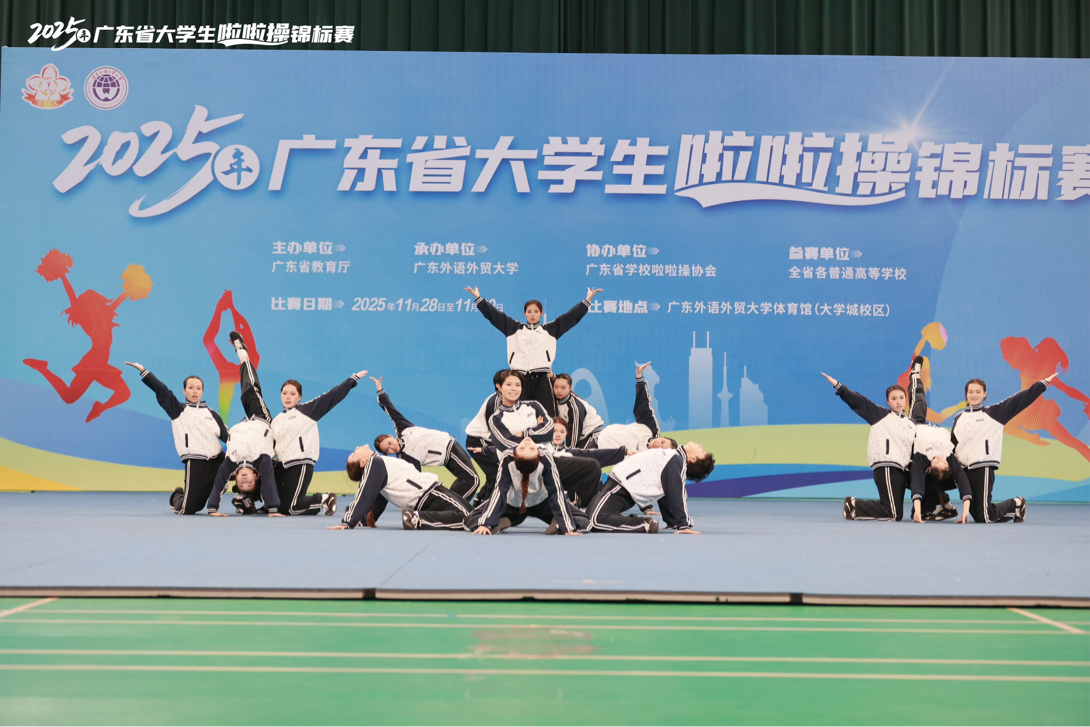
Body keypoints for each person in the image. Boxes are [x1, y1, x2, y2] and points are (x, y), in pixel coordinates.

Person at [463, 285, 602, 415]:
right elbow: (494, 316)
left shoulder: (550, 330)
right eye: (529, 311)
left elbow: (570, 318)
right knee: (516, 416)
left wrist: (587, 300)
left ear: (541, 313)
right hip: (519, 378)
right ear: (524, 313)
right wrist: (478, 298)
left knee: (546, 416)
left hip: (542, 379)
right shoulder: (514, 329)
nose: (532, 314)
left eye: (536, 311)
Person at [950, 372, 1058, 524]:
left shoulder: (994, 413)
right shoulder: (958, 417)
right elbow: (953, 443)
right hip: (962, 470)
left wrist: (1042, 384)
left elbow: (1019, 400)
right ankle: (940, 506)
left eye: (978, 392)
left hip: (982, 467)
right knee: (978, 513)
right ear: (966, 394)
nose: (974, 395)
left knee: (984, 517)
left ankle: (1016, 504)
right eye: (971, 392)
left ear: (985, 394)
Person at [124, 362, 228, 514]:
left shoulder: (212, 414)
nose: (195, 391)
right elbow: (161, 390)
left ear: (202, 392)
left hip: (218, 461)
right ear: (184, 391)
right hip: (196, 463)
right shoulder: (178, 410)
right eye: (191, 388)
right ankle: (177, 495)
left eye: (198, 388)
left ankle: (246, 499)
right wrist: (144, 371)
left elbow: (230, 438)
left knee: (244, 464)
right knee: (189, 508)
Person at [821, 370, 916, 521]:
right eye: (894, 398)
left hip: (902, 468)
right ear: (888, 402)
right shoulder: (881, 415)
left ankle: (929, 510)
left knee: (896, 511)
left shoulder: (911, 423)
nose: (898, 402)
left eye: (901, 398)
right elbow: (859, 402)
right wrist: (839, 386)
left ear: (906, 399)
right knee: (893, 513)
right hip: (886, 465)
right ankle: (854, 505)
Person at [271, 369, 367, 516]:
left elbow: (331, 396)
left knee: (291, 508)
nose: (288, 397)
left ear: (299, 397)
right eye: (284, 393)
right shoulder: (276, 420)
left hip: (300, 463)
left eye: (292, 394)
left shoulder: (306, 411)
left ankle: (324, 498)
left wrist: (352, 380)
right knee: (282, 507)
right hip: (282, 466)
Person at [207, 332, 280, 516]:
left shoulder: (232, 460)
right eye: (249, 483)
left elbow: (219, 481)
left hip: (242, 425)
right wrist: (272, 508)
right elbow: (269, 480)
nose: (244, 480)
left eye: (241, 483)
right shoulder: (261, 459)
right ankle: (242, 353)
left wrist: (212, 508)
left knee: (243, 394)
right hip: (261, 419)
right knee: (249, 389)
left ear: (237, 478)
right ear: (256, 476)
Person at [372, 376, 480, 500]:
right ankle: (451, 506)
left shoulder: (403, 429)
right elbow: (415, 480)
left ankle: (451, 505)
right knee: (472, 479)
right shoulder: (404, 460)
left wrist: (380, 391)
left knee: (468, 479)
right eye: (388, 450)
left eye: (389, 443)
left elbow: (390, 409)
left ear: (391, 436)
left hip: (448, 444)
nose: (392, 448)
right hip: (448, 453)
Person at [327, 445, 472, 531]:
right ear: (363, 463)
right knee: (469, 518)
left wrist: (366, 520)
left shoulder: (379, 466)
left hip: (427, 494)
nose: (357, 448)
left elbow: (377, 499)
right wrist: (348, 521)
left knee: (471, 515)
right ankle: (418, 519)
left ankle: (417, 518)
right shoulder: (374, 463)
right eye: (354, 454)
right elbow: (364, 494)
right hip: (429, 493)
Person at [464, 437, 587, 535]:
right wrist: (485, 524)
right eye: (523, 448)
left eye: (530, 448)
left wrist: (485, 522)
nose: (527, 443)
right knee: (472, 519)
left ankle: (558, 524)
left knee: (473, 520)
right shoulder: (508, 457)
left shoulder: (544, 457)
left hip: (542, 503)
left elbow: (555, 491)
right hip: (514, 505)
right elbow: (500, 491)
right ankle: (498, 523)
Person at [586, 443, 713, 534]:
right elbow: (666, 493)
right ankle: (644, 523)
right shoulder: (672, 455)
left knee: (596, 520)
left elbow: (676, 493)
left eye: (702, 452)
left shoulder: (677, 461)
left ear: (693, 459)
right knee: (587, 519)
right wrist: (672, 521)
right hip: (619, 484)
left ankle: (644, 524)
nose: (700, 445)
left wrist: (683, 524)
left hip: (621, 487)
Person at [904, 356, 970, 523]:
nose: (940, 458)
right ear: (949, 466)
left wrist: (917, 511)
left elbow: (917, 485)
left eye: (936, 462)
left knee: (919, 399)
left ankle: (915, 376)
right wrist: (966, 512)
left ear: (929, 468)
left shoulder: (921, 458)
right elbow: (963, 482)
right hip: (935, 429)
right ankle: (944, 503)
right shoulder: (949, 457)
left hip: (917, 426)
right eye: (943, 462)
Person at [593, 363, 676, 452]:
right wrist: (639, 378)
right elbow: (643, 405)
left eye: (661, 448)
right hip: (597, 435)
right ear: (662, 437)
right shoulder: (651, 428)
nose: (658, 445)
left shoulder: (647, 457)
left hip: (599, 452)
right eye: (662, 442)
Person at [464, 370, 508, 505]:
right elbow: (494, 431)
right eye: (509, 384)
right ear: (499, 386)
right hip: (479, 440)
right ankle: (487, 505)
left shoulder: (512, 402)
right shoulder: (495, 402)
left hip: (487, 440)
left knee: (495, 473)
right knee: (498, 473)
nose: (513, 388)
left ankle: (480, 500)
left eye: (517, 384)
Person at [552, 374, 604, 447]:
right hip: (580, 436)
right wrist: (552, 376)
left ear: (570, 388)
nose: (559, 390)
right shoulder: (555, 399)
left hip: (592, 433)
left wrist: (568, 451)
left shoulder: (575, 407)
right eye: (556, 387)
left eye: (563, 388)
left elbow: (573, 436)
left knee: (575, 453)